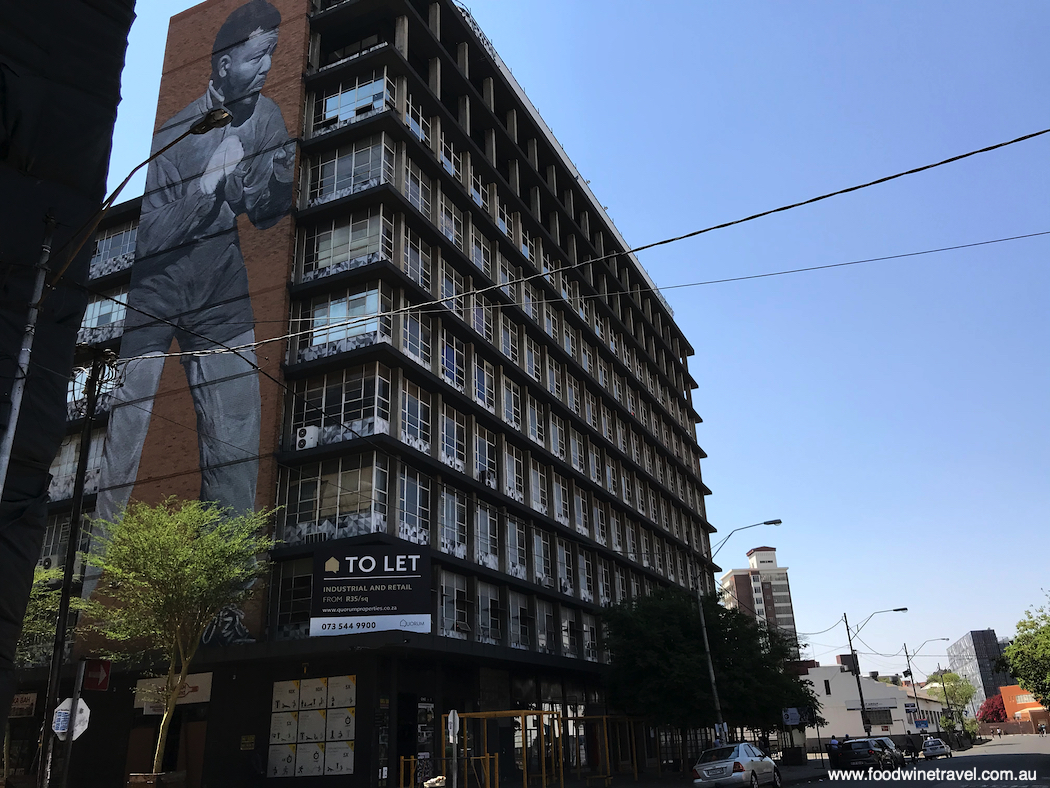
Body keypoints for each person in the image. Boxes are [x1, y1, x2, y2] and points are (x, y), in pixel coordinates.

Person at [90, 0, 295, 644]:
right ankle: (91, 608)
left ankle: (224, 608)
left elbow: (271, 209)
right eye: (256, 55)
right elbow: (148, 238)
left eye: (271, 54)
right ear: (223, 60)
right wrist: (208, 186)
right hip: (153, 300)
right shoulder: (172, 138)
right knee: (119, 460)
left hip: (223, 292)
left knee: (235, 450)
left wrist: (252, 183)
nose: (265, 67)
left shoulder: (268, 118)